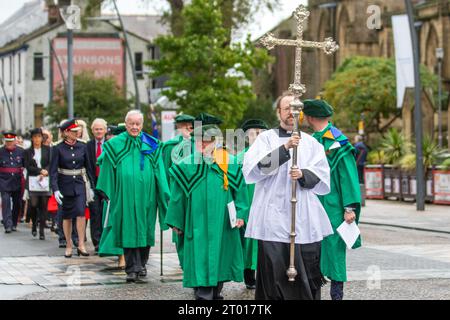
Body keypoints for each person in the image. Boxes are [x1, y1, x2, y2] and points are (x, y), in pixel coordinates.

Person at [242, 93, 333, 300]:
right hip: (272, 219)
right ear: (279, 112)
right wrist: (284, 149)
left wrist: (303, 175)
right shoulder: (265, 139)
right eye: (287, 109)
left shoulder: (311, 143)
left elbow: (322, 176)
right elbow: (255, 169)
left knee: (305, 273)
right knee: (274, 273)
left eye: (296, 110)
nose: (292, 114)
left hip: (303, 217)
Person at [165, 124, 249, 300]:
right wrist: (175, 221)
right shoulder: (186, 165)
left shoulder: (229, 163)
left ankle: (216, 291)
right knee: (200, 254)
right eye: (199, 142)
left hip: (223, 220)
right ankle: (203, 294)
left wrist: (241, 214)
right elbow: (177, 196)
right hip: (197, 220)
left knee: (221, 256)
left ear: (216, 142)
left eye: (207, 141)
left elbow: (240, 192)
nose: (203, 145)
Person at [96, 111, 170, 283]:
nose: (135, 127)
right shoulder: (115, 144)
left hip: (147, 196)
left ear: (142, 125)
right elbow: (103, 161)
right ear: (126, 124)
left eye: (138, 124)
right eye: (131, 124)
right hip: (125, 196)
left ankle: (142, 264)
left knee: (146, 229)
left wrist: (163, 192)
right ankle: (132, 268)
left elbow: (159, 170)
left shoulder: (152, 144)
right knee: (128, 228)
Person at [303, 99, 362, 301]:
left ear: (310, 117)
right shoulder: (312, 140)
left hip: (335, 207)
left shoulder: (337, 141)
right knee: (312, 251)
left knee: (335, 253)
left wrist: (349, 207)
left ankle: (337, 296)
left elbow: (348, 176)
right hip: (312, 204)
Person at [50, 119, 95, 258]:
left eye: (78, 131)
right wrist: (55, 189)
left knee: (81, 213)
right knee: (67, 216)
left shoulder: (83, 146)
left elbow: (88, 167)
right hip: (65, 184)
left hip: (80, 184)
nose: (77, 133)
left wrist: (92, 187)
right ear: (66, 133)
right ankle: (69, 244)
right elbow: (53, 171)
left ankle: (81, 244)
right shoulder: (57, 148)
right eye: (74, 131)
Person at [237, 119, 269, 290]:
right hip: (247, 203)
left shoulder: (273, 156)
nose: (257, 136)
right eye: (253, 133)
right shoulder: (240, 159)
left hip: (267, 203)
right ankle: (249, 274)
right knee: (248, 240)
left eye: (261, 132)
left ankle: (265, 273)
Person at [160, 114, 195, 267]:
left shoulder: (199, 144)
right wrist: (167, 197)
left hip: (195, 193)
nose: (188, 129)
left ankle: (192, 261)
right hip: (178, 192)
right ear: (178, 127)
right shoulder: (170, 146)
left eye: (191, 126)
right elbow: (166, 173)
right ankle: (184, 261)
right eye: (185, 126)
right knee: (179, 228)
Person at [97, 124, 126, 270]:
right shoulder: (112, 148)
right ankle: (121, 256)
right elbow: (101, 161)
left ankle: (126, 256)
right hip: (114, 192)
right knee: (115, 224)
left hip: (126, 191)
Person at [24, 128, 52, 240]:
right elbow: (28, 166)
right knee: (34, 204)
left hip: (45, 179)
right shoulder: (27, 151)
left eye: (39, 137)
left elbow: (51, 163)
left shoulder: (48, 150)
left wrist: (45, 171)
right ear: (32, 138)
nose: (37, 139)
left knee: (44, 205)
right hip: (33, 180)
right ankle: (34, 224)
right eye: (35, 137)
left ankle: (41, 231)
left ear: (42, 138)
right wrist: (39, 171)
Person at [87, 118, 108, 252]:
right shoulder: (87, 146)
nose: (99, 131)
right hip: (93, 181)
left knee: (106, 212)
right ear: (92, 130)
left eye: (101, 129)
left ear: (105, 130)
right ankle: (97, 242)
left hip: (106, 183)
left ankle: (106, 241)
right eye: (96, 129)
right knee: (95, 212)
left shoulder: (110, 145)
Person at [0, 132, 25, 233]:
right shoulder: (1, 151)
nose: (9, 143)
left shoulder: (21, 151)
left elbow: (25, 164)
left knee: (17, 203)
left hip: (17, 181)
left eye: (11, 141)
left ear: (15, 141)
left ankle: (14, 222)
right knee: (5, 202)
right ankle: (8, 224)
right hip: (4, 181)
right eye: (7, 142)